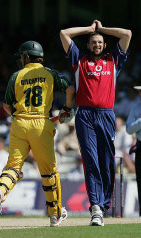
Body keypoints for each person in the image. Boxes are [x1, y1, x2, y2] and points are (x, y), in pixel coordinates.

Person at [0, 40, 75, 227]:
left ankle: (0, 192)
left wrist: (19, 116)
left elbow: (5, 105)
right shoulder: (50, 73)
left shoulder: (16, 76)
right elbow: (70, 89)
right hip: (41, 125)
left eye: (21, 56)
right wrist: (67, 109)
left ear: (27, 56)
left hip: (19, 123)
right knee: (49, 171)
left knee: (13, 166)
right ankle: (55, 214)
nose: (21, 59)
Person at [59, 20, 132, 226]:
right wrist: (89, 30)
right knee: (90, 161)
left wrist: (102, 30)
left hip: (106, 115)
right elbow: (64, 34)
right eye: (93, 42)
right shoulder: (79, 60)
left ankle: (105, 204)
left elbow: (126, 33)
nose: (97, 45)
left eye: (100, 42)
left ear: (105, 45)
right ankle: (96, 208)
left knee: (107, 161)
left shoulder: (113, 60)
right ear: (88, 45)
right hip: (85, 116)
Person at [126, 85, 141, 217]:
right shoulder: (135, 108)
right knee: (140, 180)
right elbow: (129, 129)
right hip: (140, 145)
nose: (140, 94)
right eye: (139, 92)